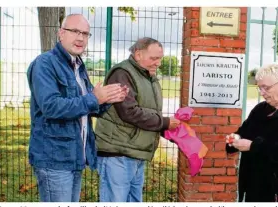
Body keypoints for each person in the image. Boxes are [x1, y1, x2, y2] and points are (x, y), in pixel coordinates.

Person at [26, 14, 128, 202]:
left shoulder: (79, 66)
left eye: (86, 34)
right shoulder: (44, 64)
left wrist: (108, 99)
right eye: (75, 31)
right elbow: (51, 107)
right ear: (61, 34)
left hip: (76, 156)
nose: (81, 38)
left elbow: (88, 107)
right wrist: (94, 98)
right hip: (54, 158)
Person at [94, 37, 180, 202]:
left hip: (134, 151)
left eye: (160, 58)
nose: (158, 63)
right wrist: (164, 122)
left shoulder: (148, 76)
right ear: (138, 54)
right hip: (118, 152)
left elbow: (148, 110)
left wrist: (166, 129)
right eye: (154, 58)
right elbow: (128, 112)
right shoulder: (122, 74)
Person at [225, 63, 278, 202]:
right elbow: (243, 132)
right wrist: (235, 138)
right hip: (256, 188)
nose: (261, 92)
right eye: (259, 87)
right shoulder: (260, 109)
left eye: (266, 87)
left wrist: (253, 146)